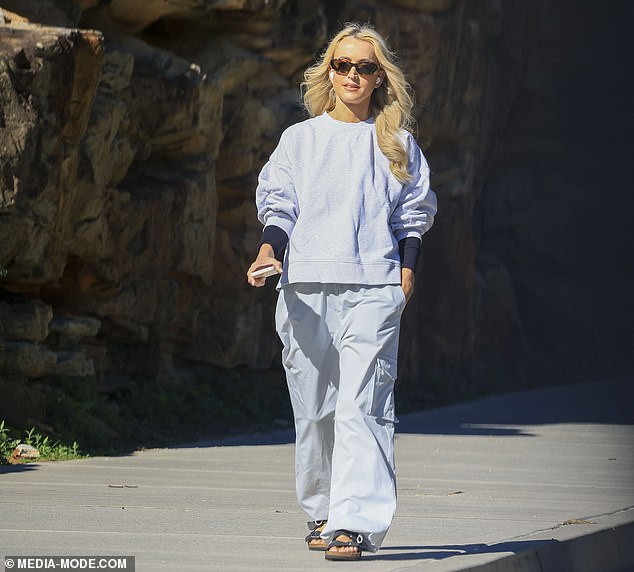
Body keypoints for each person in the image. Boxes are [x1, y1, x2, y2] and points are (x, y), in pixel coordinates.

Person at [246, 22, 437, 561]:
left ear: (380, 78)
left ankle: (353, 522)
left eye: (365, 67)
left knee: (362, 405)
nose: (352, 75)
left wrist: (409, 266)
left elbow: (413, 213)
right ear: (329, 72)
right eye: (342, 65)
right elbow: (278, 204)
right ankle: (323, 510)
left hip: (375, 287)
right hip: (305, 288)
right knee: (314, 409)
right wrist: (269, 251)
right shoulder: (300, 140)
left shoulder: (397, 142)